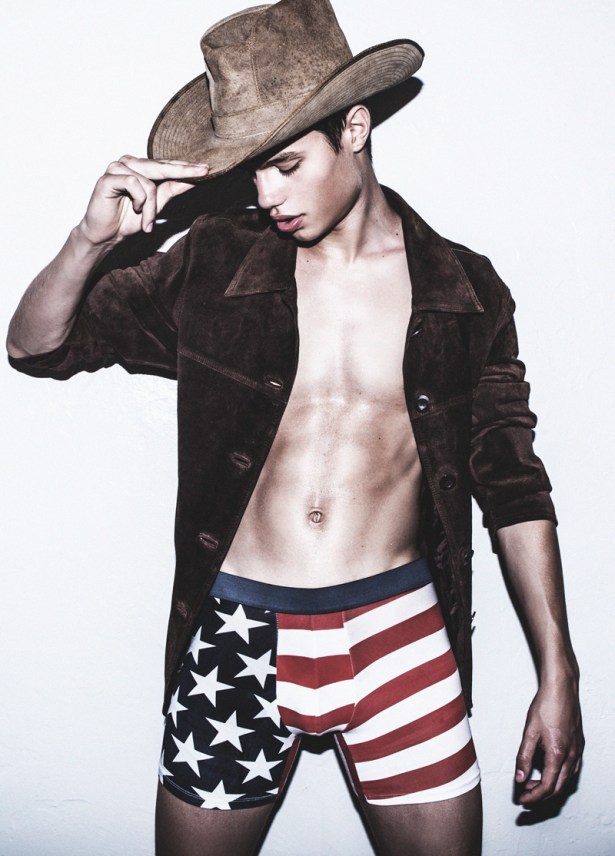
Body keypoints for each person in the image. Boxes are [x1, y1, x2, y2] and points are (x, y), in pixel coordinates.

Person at [6, 0, 583, 853]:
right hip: (235, 635)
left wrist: (557, 672)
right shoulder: (213, 264)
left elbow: (513, 487)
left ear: (355, 128)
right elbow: (35, 344)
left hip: (396, 629)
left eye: (284, 165)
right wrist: (90, 242)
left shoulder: (462, 291)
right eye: (252, 172)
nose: (266, 195)